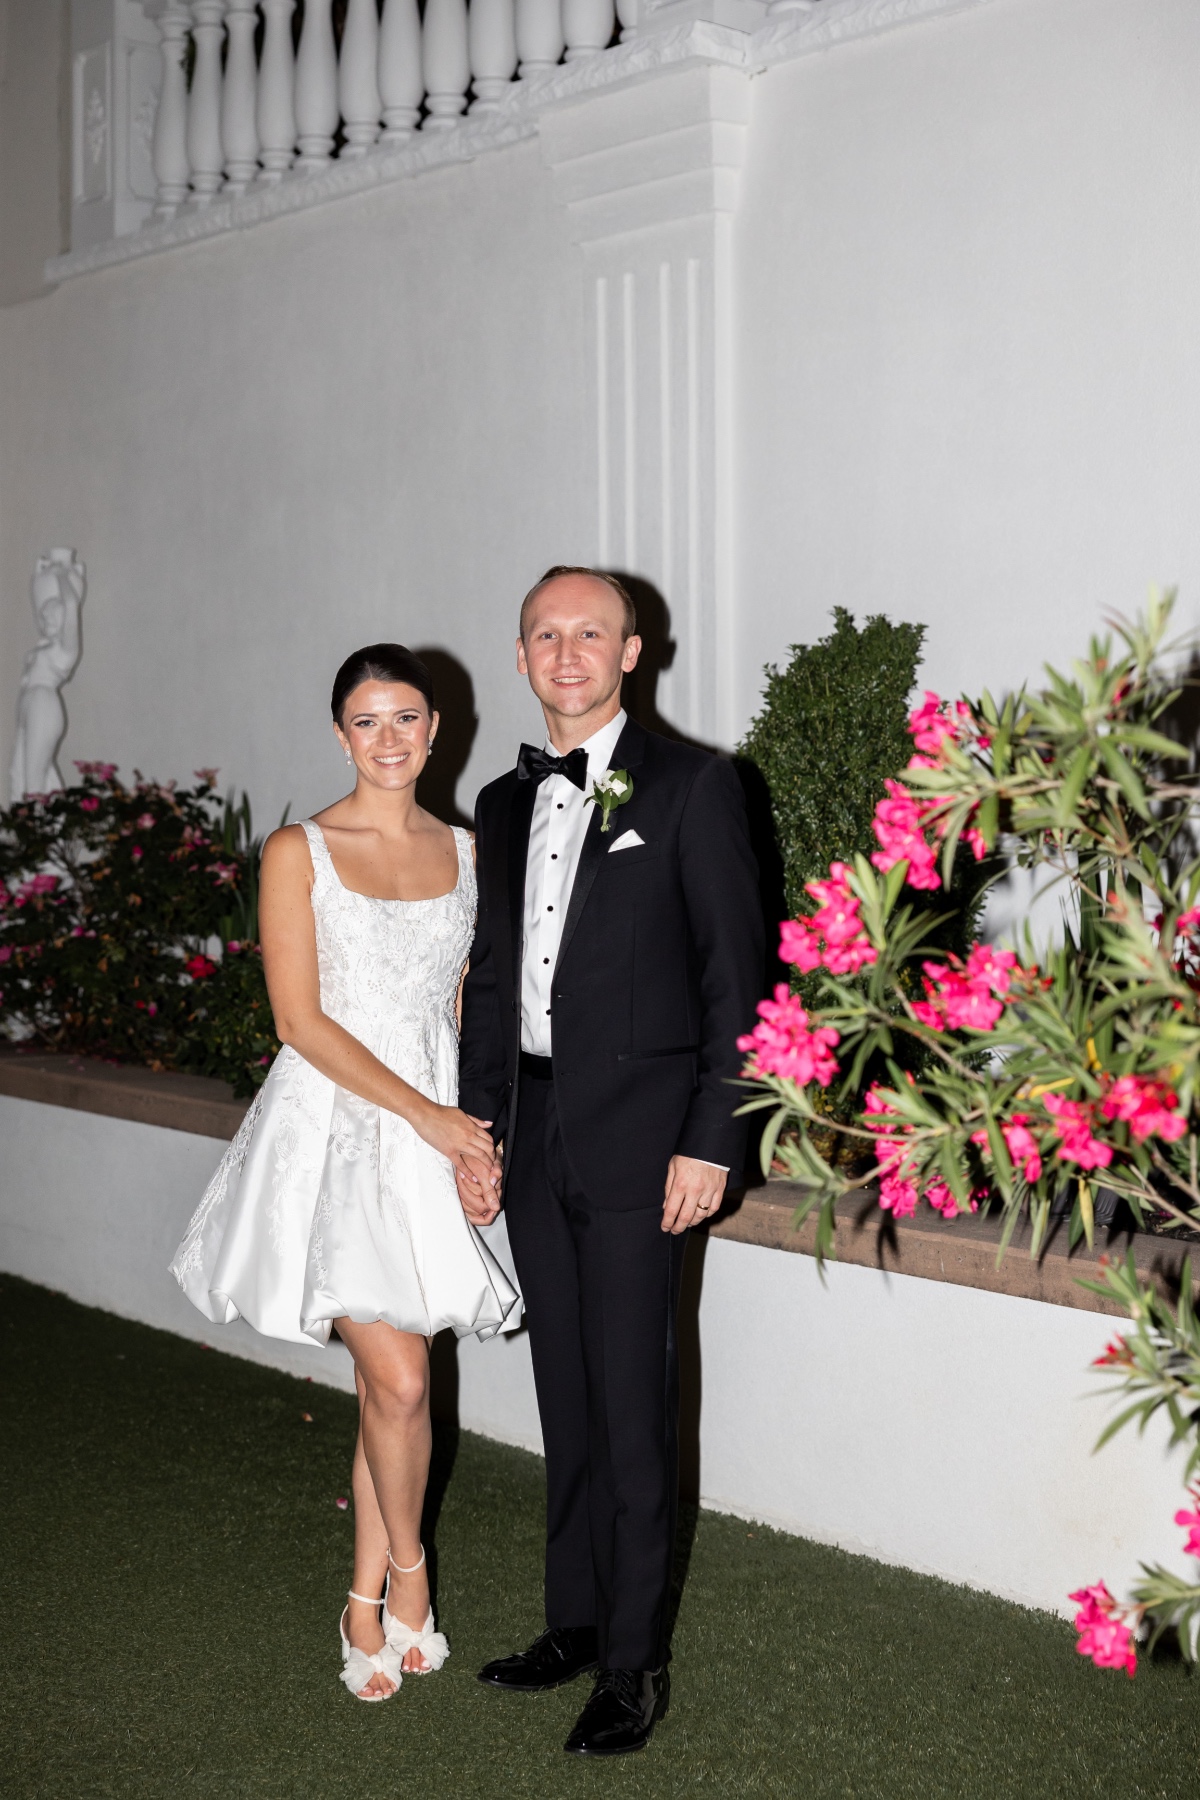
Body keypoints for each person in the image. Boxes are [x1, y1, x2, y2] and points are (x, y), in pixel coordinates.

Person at [170, 644, 519, 1703]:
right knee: (406, 1379)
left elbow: (463, 1012)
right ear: (339, 734)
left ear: (436, 728)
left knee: (388, 1389)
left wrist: (475, 1141)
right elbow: (297, 1022)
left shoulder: (467, 851)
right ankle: (412, 1573)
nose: (389, 740)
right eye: (366, 722)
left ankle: (359, 1600)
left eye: (406, 718)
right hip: (333, 1130)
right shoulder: (297, 850)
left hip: (432, 1128)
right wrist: (434, 1124)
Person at [458, 568, 763, 1757]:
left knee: (634, 1404)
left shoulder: (697, 787)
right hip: (531, 1132)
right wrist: (478, 1128)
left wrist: (713, 1135)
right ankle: (574, 1625)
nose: (568, 650)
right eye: (547, 633)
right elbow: (492, 979)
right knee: (566, 1400)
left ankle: (633, 1669)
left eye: (592, 632)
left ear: (634, 651)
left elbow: (741, 980)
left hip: (648, 1145)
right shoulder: (498, 801)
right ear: (522, 653)